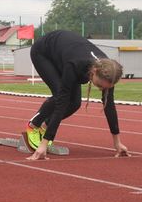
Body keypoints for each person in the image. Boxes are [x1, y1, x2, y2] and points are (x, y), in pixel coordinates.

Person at [25, 30, 130, 160]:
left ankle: (44, 127)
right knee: (60, 95)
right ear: (94, 71)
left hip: (65, 53)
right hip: (43, 53)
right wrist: (44, 144)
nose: (101, 89)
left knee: (75, 103)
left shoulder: (110, 71)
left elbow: (109, 106)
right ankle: (33, 125)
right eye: (101, 86)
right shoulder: (75, 65)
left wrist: (117, 143)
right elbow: (61, 104)